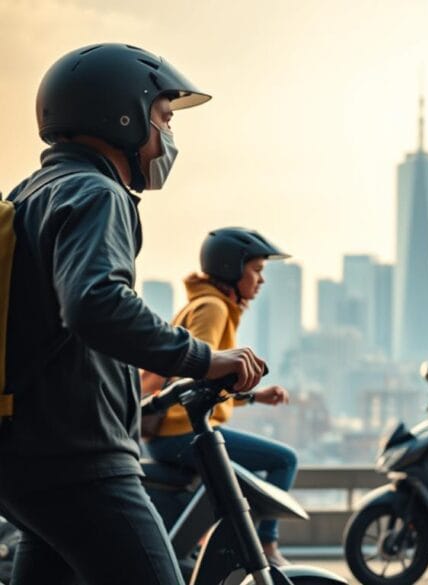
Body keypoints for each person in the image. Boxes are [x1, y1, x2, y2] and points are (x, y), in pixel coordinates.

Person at [0, 44, 265, 585]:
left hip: (27, 452)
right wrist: (204, 360)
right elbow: (95, 303)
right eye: (164, 117)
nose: (169, 136)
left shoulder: (34, 192)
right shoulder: (96, 192)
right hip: (81, 461)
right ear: (122, 113)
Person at [144, 227, 297, 567]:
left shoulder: (204, 304)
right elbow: (198, 374)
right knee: (284, 460)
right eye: (256, 270)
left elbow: (209, 383)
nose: (261, 280)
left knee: (236, 485)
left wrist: (255, 397)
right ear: (231, 268)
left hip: (173, 431)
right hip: (182, 432)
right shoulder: (213, 308)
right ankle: (267, 547)